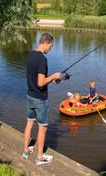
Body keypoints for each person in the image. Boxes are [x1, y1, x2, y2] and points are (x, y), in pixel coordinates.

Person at [23, 33, 61, 165]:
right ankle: (40, 157)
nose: (50, 49)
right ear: (47, 42)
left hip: (30, 95)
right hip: (40, 99)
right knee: (42, 128)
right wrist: (54, 76)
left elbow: (36, 79)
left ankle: (26, 150)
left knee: (29, 123)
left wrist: (51, 79)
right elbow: (40, 83)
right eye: (51, 46)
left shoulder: (31, 55)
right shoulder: (42, 59)